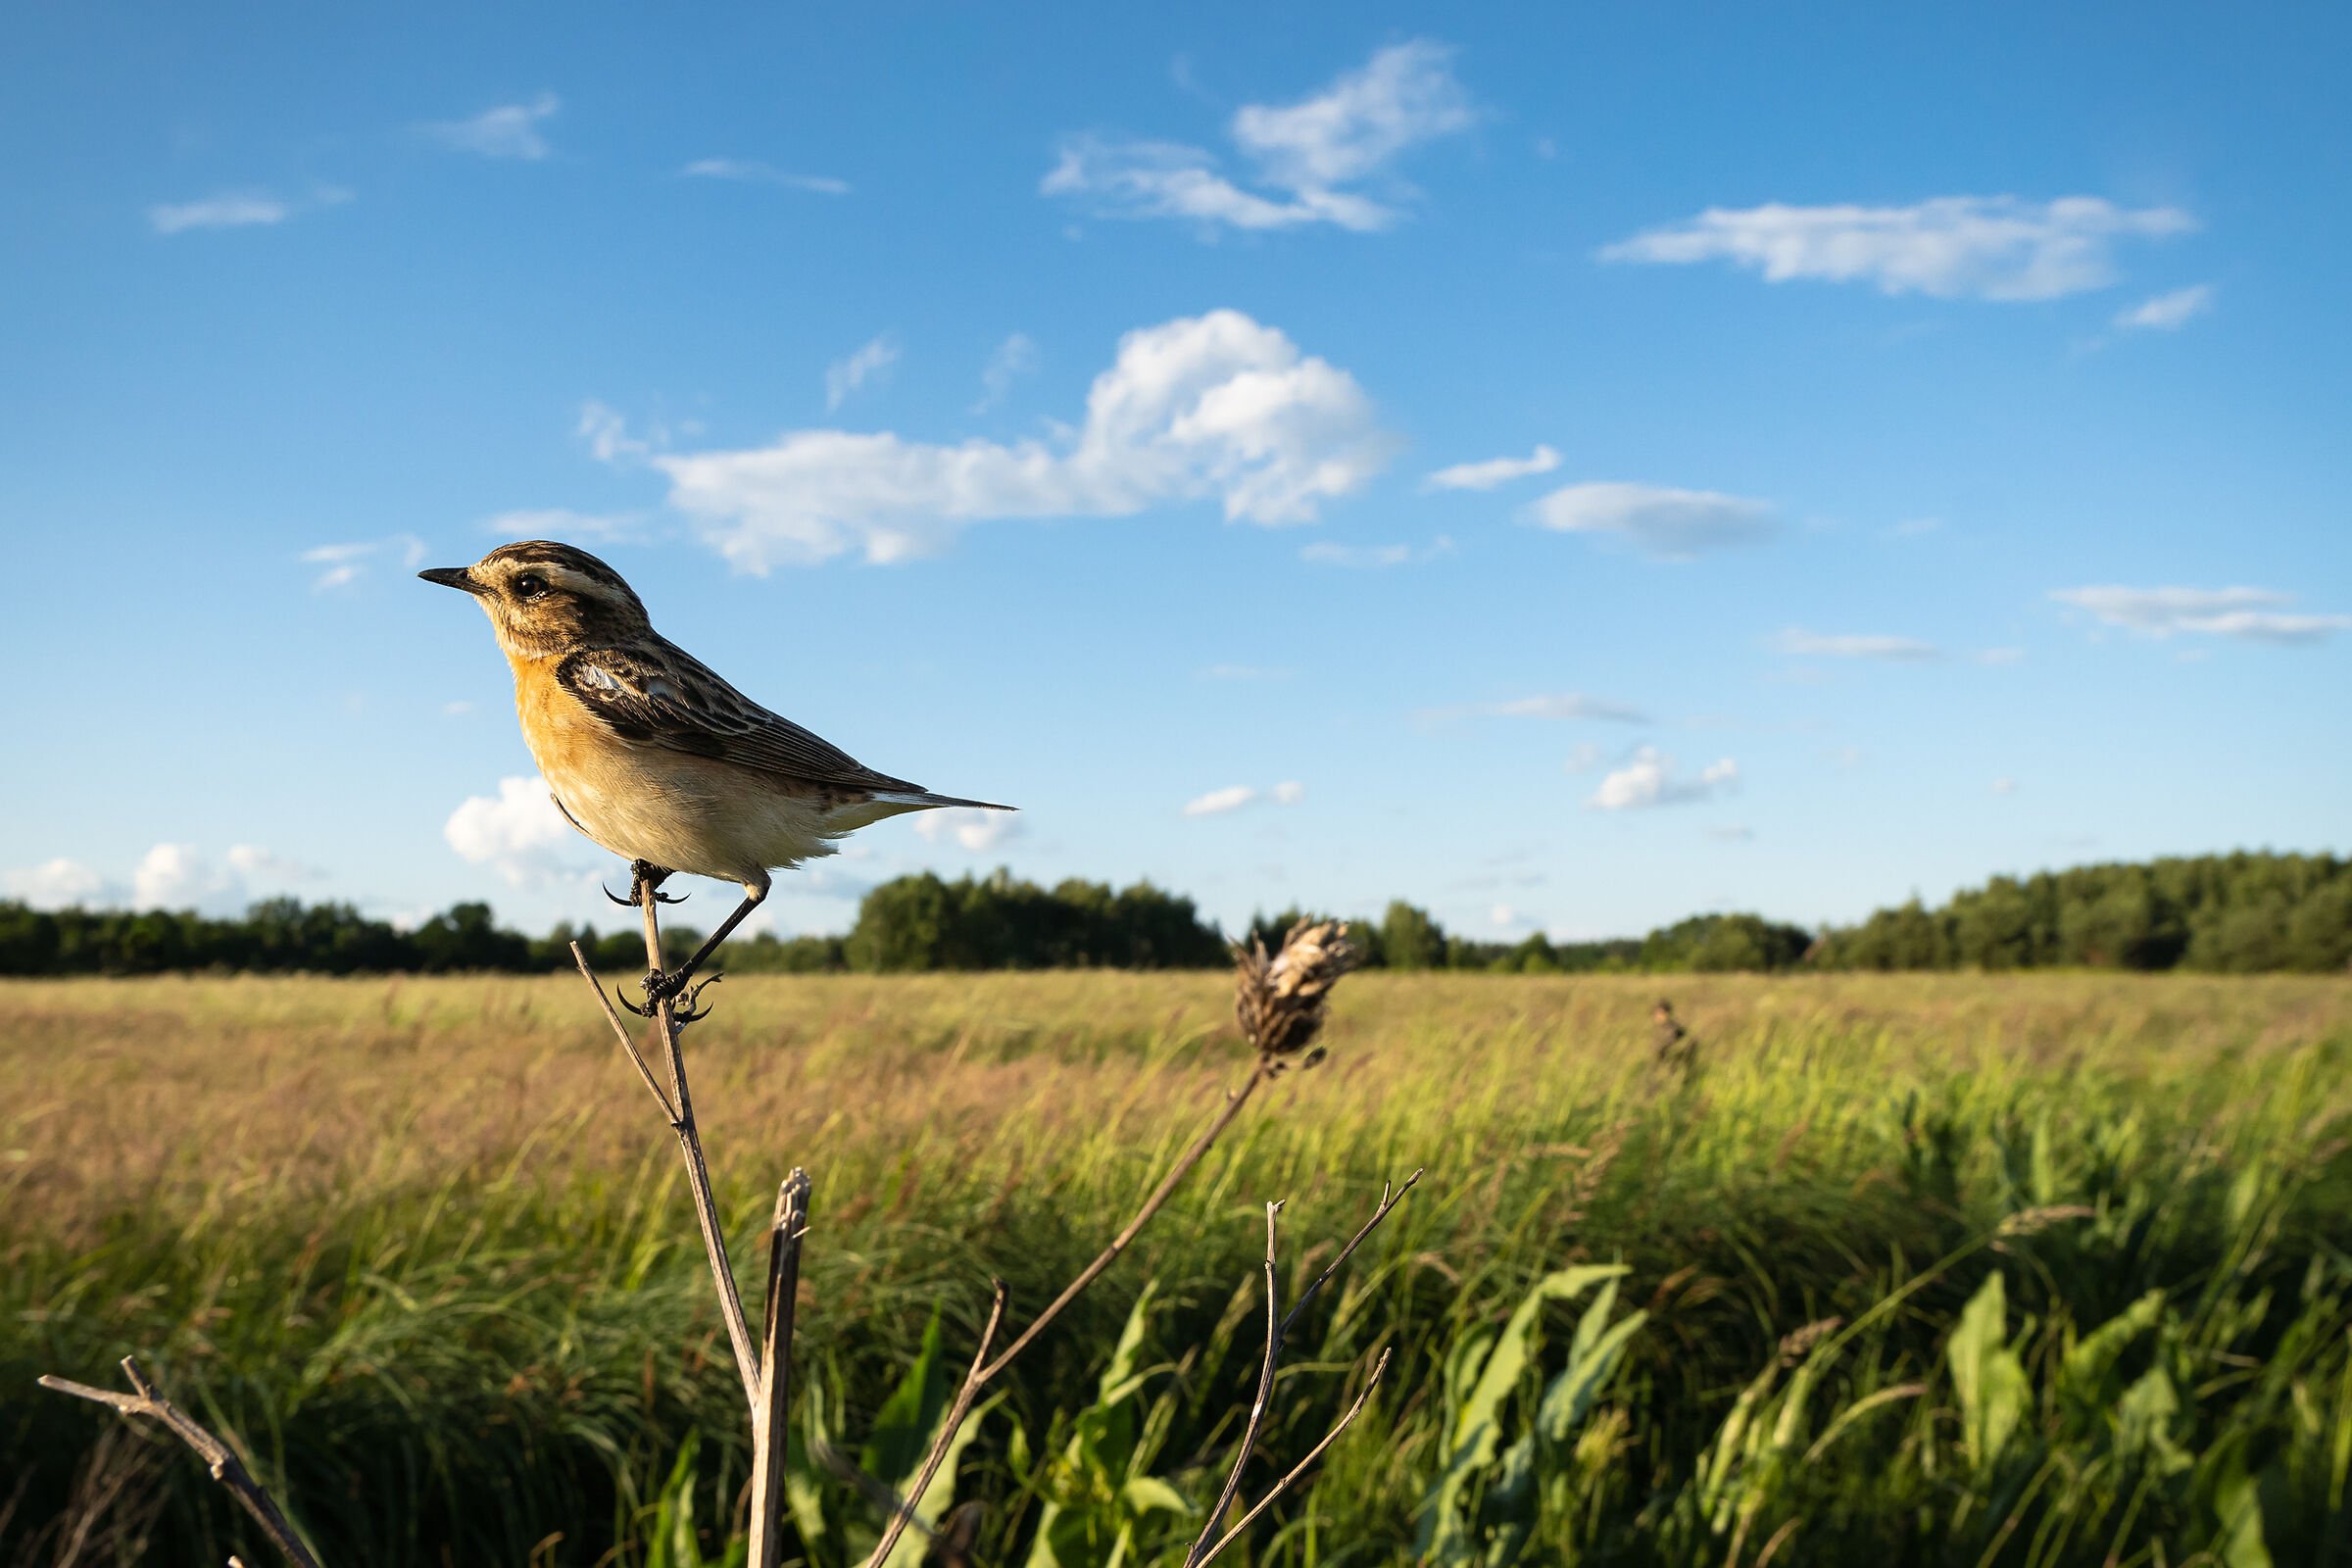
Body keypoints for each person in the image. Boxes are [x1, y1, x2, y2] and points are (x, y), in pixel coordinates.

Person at [1650, 998, 1696, 1073]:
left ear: (1666, 1013)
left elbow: (1670, 1045)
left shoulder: (1671, 1027)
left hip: (1673, 1063)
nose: (1657, 1016)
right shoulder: (1662, 1027)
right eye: (1656, 1013)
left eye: (1660, 1013)